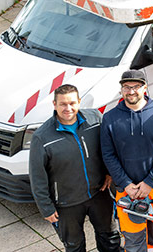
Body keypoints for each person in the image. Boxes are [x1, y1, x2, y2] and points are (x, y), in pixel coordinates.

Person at [29, 84, 121, 252]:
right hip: (66, 204)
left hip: (99, 194)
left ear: (79, 102)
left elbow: (108, 149)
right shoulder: (41, 137)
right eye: (63, 104)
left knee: (110, 239)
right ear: (54, 104)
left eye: (72, 103)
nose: (68, 108)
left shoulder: (95, 119)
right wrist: (46, 208)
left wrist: (109, 172)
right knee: (74, 247)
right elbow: (37, 177)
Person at [101, 69, 153, 252]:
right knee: (133, 240)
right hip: (125, 191)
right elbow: (108, 154)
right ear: (121, 89)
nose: (131, 91)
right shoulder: (110, 118)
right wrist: (126, 184)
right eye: (126, 87)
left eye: (136, 87)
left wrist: (149, 182)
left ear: (145, 88)